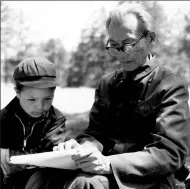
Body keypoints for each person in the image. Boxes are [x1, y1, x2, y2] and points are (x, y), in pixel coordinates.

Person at [54, 2, 190, 189]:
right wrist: (83, 148)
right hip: (105, 172)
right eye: (114, 45)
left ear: (150, 38)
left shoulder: (171, 86)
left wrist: (108, 164)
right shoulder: (107, 84)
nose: (121, 54)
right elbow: (95, 133)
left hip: (150, 178)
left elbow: (169, 153)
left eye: (128, 44)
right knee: (62, 179)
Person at [0, 57, 67, 189]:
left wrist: (9, 155)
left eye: (48, 99)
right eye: (32, 99)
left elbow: (49, 155)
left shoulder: (56, 120)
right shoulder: (3, 118)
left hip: (37, 180)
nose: (40, 106)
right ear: (17, 93)